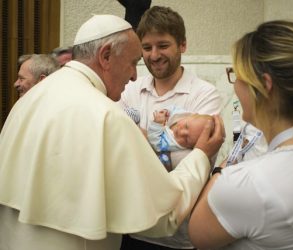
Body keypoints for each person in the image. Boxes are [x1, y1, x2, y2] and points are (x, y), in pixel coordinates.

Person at [0, 14, 225, 250]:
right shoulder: (106, 115)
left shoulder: (30, 98)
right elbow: (163, 216)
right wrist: (200, 155)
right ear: (106, 56)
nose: (135, 75)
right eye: (133, 62)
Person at [188, 20, 293, 250]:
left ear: (264, 86)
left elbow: (198, 235)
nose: (235, 86)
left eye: (237, 75)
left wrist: (215, 166)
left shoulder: (246, 184)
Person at [119, 6, 222, 250]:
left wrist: (138, 138)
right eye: (147, 47)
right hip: (131, 230)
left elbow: (192, 161)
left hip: (180, 235)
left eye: (163, 45)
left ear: (182, 45)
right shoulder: (131, 89)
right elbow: (117, 152)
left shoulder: (204, 94)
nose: (154, 55)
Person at [147, 106, 214, 171]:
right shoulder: (182, 115)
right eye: (186, 126)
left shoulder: (172, 143)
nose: (181, 132)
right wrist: (165, 111)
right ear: (191, 116)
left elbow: (156, 143)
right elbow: (173, 109)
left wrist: (157, 124)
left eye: (186, 139)